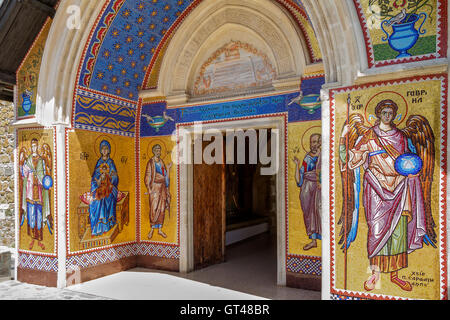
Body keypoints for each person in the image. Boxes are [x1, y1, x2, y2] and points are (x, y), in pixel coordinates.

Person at [340, 99, 427, 291]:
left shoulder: (401, 137)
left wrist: (413, 171)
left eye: (391, 112)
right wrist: (343, 140)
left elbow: (407, 158)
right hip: (376, 187)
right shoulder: (369, 135)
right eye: (384, 112)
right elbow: (354, 158)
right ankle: (375, 274)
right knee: (377, 229)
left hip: (400, 186)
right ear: (378, 114)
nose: (388, 115)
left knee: (398, 231)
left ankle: (396, 275)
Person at [20, 139, 51, 250]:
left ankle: (39, 241)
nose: (34, 148)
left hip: (38, 190)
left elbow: (43, 172)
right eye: (32, 146)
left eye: (35, 146)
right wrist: (24, 169)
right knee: (31, 215)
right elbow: (24, 174)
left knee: (38, 215)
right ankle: (32, 240)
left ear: (37, 147)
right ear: (31, 147)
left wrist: (45, 182)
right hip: (29, 192)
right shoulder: (28, 160)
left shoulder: (41, 160)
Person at [293, 134, 322, 251]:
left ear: (320, 143)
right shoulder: (307, 158)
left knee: (318, 211)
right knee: (307, 213)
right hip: (306, 188)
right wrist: (296, 165)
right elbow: (299, 179)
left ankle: (323, 239)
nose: (313, 144)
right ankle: (313, 240)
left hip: (318, 187)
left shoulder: (323, 156)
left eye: (315, 142)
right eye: (311, 142)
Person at [89, 140, 119, 236]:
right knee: (97, 200)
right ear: (101, 151)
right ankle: (98, 226)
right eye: (103, 149)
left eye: (106, 149)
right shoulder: (99, 162)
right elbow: (94, 176)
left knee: (107, 197)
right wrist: (99, 179)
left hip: (109, 187)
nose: (105, 151)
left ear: (109, 150)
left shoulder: (111, 162)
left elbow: (115, 176)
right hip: (100, 186)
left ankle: (107, 224)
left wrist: (111, 179)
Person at [145, 144, 172, 239]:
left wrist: (168, 169)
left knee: (161, 208)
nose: (158, 151)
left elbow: (165, 176)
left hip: (163, 187)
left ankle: (160, 229)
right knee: (154, 207)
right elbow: (148, 175)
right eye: (156, 150)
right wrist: (149, 188)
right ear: (153, 151)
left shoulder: (161, 162)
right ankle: (152, 229)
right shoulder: (151, 162)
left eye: (159, 150)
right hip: (155, 188)